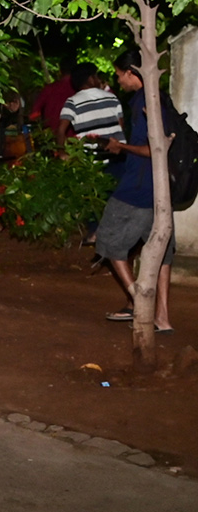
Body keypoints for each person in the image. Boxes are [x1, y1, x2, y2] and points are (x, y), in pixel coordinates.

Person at [95, 49, 173, 332]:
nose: (118, 81)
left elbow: (152, 149)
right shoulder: (160, 98)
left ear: (131, 73)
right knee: (161, 252)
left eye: (119, 75)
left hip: (137, 187)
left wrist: (120, 146)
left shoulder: (144, 103)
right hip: (161, 190)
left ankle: (139, 300)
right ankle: (161, 318)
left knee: (108, 241)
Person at [55, 63, 125, 151]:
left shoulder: (72, 102)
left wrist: (62, 152)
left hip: (91, 159)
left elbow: (61, 130)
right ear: (91, 79)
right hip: (117, 152)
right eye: (96, 76)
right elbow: (121, 125)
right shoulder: (111, 97)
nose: (99, 80)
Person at [29, 57, 75, 134]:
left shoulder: (49, 89)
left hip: (51, 138)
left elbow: (33, 115)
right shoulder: (79, 90)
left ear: (60, 71)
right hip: (76, 141)